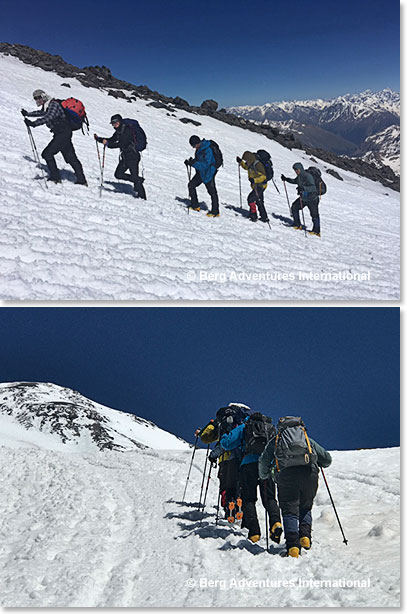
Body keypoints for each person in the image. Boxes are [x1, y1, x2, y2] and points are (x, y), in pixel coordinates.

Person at [259, 416, 332, 557]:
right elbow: (327, 459)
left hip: (286, 476)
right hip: (309, 474)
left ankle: (293, 546)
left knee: (289, 510)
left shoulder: (276, 442)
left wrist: (264, 475)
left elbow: (263, 462)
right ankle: (305, 537)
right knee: (305, 506)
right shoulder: (307, 440)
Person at [220, 412, 282, 544]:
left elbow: (227, 443)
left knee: (248, 499)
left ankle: (254, 532)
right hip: (266, 465)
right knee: (270, 498)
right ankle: (275, 522)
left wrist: (224, 433)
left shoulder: (244, 426)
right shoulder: (270, 427)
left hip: (248, 464)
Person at [195, 404, 250, 519]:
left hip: (224, 457)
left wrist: (210, 425)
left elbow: (206, 437)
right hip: (242, 457)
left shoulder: (222, 421)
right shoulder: (244, 421)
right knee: (239, 483)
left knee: (226, 485)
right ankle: (240, 504)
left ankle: (228, 507)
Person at [21, 89, 87, 185]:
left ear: (43, 96)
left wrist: (34, 124)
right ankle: (82, 180)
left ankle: (55, 178)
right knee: (70, 157)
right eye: (35, 98)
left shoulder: (53, 104)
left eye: (39, 97)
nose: (37, 100)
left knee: (47, 154)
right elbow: (42, 113)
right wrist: (28, 114)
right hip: (62, 133)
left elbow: (49, 117)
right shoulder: (48, 106)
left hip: (63, 133)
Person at [94, 114, 146, 199]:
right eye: (113, 123)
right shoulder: (119, 131)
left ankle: (142, 197)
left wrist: (108, 144)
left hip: (133, 156)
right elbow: (112, 139)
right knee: (118, 174)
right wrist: (99, 139)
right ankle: (138, 180)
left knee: (134, 177)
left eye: (116, 123)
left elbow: (121, 143)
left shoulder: (127, 130)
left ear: (120, 121)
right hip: (125, 156)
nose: (114, 125)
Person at [281, 163, 320, 236]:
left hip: (312, 199)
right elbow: (295, 181)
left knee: (314, 214)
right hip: (304, 198)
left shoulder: (307, 176)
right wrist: (286, 179)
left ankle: (316, 231)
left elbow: (313, 187)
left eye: (297, 170)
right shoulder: (299, 176)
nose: (296, 171)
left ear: (300, 169)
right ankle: (297, 224)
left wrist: (303, 188)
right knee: (294, 207)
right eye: (295, 170)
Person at [185, 136, 219, 217]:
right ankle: (195, 205)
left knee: (212, 192)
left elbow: (206, 165)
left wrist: (194, 164)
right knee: (191, 185)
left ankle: (215, 211)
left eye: (194, 146)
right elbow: (200, 160)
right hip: (201, 172)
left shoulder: (207, 150)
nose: (194, 148)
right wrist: (191, 161)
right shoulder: (199, 149)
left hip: (209, 172)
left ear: (197, 143)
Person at [236, 152, 269, 223]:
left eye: (246, 160)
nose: (246, 162)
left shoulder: (258, 165)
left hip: (260, 186)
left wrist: (254, 180)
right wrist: (241, 162)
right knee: (259, 201)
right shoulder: (251, 164)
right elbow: (246, 167)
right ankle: (264, 217)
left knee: (250, 199)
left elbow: (263, 177)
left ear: (250, 159)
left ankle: (253, 215)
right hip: (256, 186)